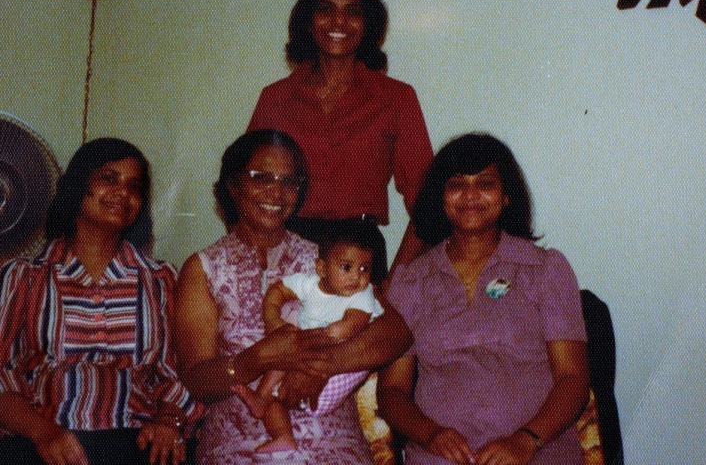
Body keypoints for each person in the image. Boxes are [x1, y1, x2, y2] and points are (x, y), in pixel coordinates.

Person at [174, 130, 412, 465]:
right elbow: (197, 380)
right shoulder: (204, 269)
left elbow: (397, 333)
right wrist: (257, 358)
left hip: (332, 443)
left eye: (289, 181)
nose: (276, 191)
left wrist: (323, 365)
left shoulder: (327, 260)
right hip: (241, 444)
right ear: (233, 186)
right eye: (261, 177)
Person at [377, 133, 590, 465]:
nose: (470, 195)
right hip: (441, 457)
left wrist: (526, 440)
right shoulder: (410, 282)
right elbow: (392, 391)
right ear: (440, 197)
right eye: (457, 184)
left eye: (485, 183)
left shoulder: (545, 270)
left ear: (506, 196)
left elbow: (573, 378)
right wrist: (430, 434)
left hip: (535, 453)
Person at [0, 138, 201, 465]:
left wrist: (168, 419)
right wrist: (42, 433)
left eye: (135, 186)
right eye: (109, 178)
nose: (124, 192)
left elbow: (179, 371)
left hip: (136, 441)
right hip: (43, 440)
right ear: (79, 186)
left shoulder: (160, 279)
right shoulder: (25, 277)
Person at [247, 0, 433, 275]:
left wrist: (394, 282)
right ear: (308, 20)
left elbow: (429, 204)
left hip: (359, 254)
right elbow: (242, 188)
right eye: (326, 9)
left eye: (353, 11)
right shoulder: (276, 98)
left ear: (368, 24)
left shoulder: (396, 99)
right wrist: (256, 257)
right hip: (284, 252)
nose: (339, 20)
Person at [231, 220, 386, 454]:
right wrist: (274, 320)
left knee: (292, 346)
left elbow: (354, 324)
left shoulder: (361, 294)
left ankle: (263, 396)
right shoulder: (310, 284)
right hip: (307, 364)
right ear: (322, 268)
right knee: (280, 370)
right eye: (346, 267)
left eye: (364, 268)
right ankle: (281, 432)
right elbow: (278, 291)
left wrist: (322, 336)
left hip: (337, 368)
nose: (356, 277)